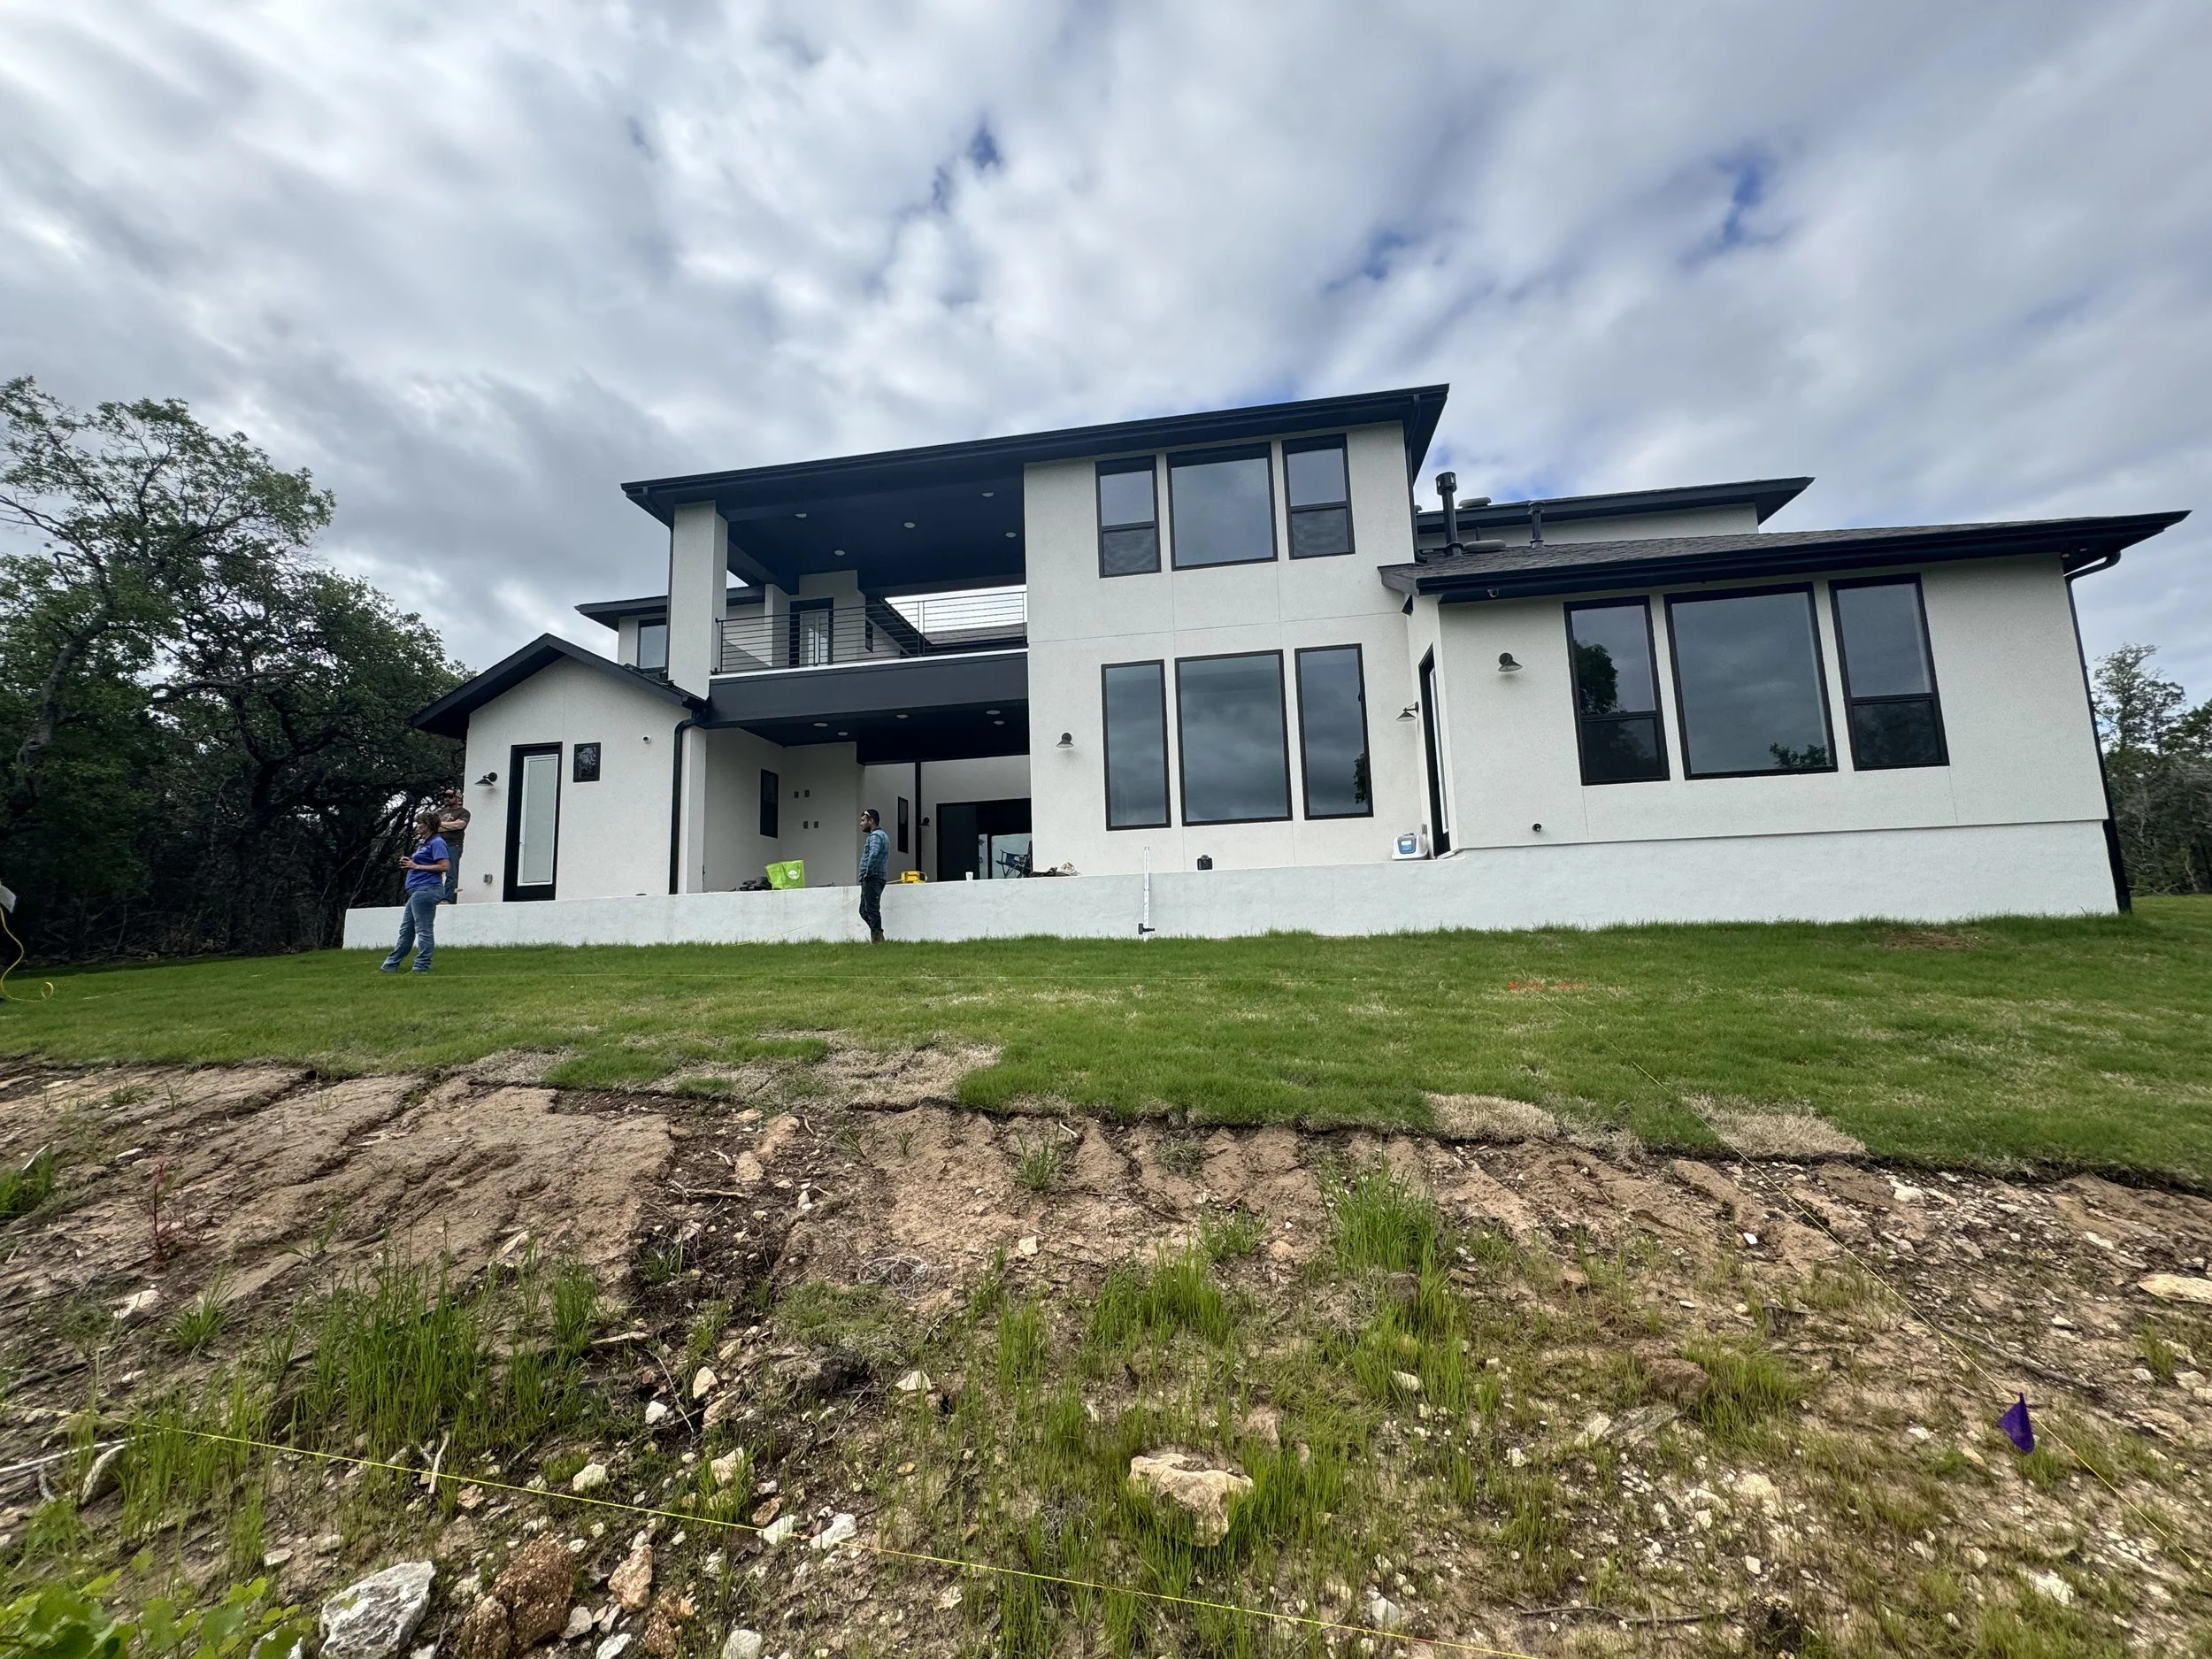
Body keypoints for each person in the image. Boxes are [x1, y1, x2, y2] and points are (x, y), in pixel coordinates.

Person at [381, 809, 449, 973]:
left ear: (429, 826)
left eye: (420, 823)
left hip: (427, 889)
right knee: (407, 930)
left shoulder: (437, 842)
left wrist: (416, 866)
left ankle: (422, 965)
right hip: (416, 890)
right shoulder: (423, 844)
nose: (417, 826)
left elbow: (444, 866)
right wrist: (410, 862)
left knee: (423, 929)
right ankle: (391, 965)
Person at [856, 807, 890, 943]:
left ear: (871, 821)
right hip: (876, 877)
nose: (861, 823)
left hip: (873, 877)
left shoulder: (875, 836)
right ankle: (878, 937)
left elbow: (874, 854)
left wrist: (867, 872)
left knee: (870, 910)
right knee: (865, 909)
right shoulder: (882, 836)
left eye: (863, 820)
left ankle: (878, 940)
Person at [436, 787, 472, 904]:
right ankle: (435, 896)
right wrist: (448, 825)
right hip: (438, 844)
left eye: (450, 796)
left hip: (453, 844)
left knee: (451, 872)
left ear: (458, 798)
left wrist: (440, 825)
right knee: (433, 870)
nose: (446, 798)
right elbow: (431, 827)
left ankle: (447, 898)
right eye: (445, 796)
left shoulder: (463, 812)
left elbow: (459, 825)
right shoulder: (440, 812)